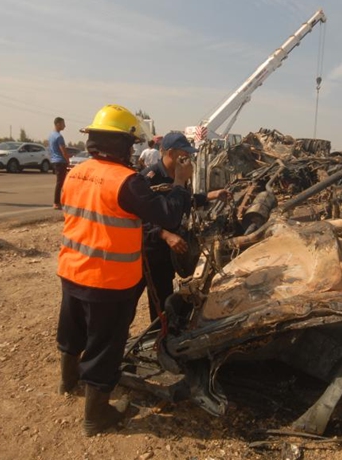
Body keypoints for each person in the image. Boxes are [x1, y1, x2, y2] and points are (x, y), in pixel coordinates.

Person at [55, 105, 193, 436]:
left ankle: (67, 382)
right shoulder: (126, 182)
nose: (132, 150)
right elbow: (169, 217)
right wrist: (178, 183)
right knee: (106, 345)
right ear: (119, 144)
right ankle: (96, 416)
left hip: (71, 269)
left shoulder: (75, 172)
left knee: (73, 330)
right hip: (108, 280)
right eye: (130, 144)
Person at [140, 132, 228, 322]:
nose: (188, 158)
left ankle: (165, 332)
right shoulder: (149, 178)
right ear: (171, 153)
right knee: (150, 294)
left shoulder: (179, 175)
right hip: (151, 250)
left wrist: (211, 196)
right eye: (184, 154)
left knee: (164, 292)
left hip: (170, 250)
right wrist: (164, 234)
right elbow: (137, 218)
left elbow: (183, 201)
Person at [48, 117, 70, 210]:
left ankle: (62, 201)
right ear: (57, 124)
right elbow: (63, 150)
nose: (64, 126)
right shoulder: (59, 137)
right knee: (60, 183)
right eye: (62, 124)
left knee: (61, 182)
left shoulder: (51, 135)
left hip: (54, 161)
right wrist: (68, 160)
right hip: (60, 161)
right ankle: (56, 203)